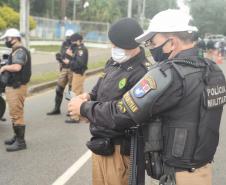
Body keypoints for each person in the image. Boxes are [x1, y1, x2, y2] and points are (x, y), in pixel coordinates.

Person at [68, 9, 226, 185]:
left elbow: (123, 112)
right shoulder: (213, 71)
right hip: (202, 171)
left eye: (153, 42)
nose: (150, 47)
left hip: (178, 175)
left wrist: (83, 108)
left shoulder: (168, 75)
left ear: (172, 42)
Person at [77, 18, 151, 185]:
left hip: (120, 151)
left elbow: (124, 115)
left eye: (115, 45)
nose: (113, 48)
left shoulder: (143, 73)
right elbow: (99, 88)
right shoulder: (113, 62)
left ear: (129, 44)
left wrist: (86, 109)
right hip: (100, 144)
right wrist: (88, 97)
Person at [0, 28, 31, 152]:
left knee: (17, 114)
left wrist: (4, 68)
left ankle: (21, 142)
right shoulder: (15, 51)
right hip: (14, 86)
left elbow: (17, 67)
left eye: (7, 38)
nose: (6, 41)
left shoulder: (19, 51)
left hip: (17, 87)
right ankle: (16, 137)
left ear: (14, 38)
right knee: (14, 114)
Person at [47, 29, 74, 115]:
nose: (68, 38)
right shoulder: (64, 44)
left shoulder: (76, 46)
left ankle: (71, 110)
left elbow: (77, 59)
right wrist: (59, 58)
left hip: (72, 69)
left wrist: (69, 57)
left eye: (69, 37)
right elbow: (62, 55)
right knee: (59, 89)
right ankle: (56, 108)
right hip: (64, 68)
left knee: (70, 91)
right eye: (67, 37)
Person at [65, 33, 88, 123]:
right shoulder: (78, 49)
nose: (72, 43)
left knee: (74, 93)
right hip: (77, 73)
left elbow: (80, 63)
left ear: (78, 40)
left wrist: (69, 62)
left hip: (78, 73)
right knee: (80, 94)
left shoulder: (81, 50)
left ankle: (74, 117)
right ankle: (81, 112)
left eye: (74, 41)